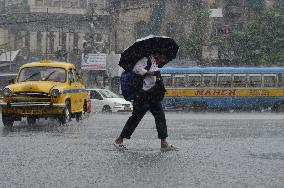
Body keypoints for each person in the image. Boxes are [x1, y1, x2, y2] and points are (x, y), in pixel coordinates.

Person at [114, 53, 178, 151]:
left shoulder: (155, 63)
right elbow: (136, 69)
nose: (162, 60)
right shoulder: (146, 59)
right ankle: (119, 140)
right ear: (157, 54)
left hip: (153, 95)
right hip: (142, 95)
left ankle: (164, 143)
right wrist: (150, 73)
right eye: (162, 57)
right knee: (135, 119)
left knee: (160, 117)